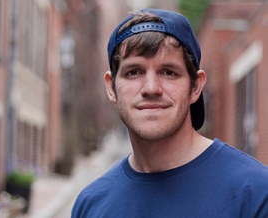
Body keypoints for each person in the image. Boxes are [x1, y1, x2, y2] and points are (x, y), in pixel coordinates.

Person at [71, 8, 268, 218]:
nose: (151, 88)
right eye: (134, 72)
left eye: (168, 72)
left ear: (195, 87)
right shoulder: (90, 205)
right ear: (111, 88)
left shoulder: (255, 194)